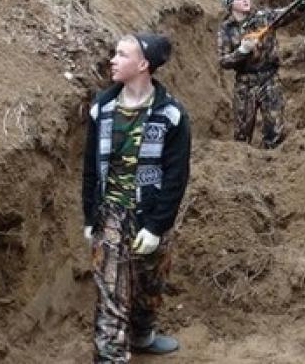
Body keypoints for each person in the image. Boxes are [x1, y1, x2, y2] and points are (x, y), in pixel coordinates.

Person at [82, 33, 191, 363]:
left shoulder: (171, 115)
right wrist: (90, 217)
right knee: (111, 291)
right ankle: (110, 355)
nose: (112, 60)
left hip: (150, 213)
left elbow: (176, 177)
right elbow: (90, 167)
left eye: (121, 54)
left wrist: (157, 226)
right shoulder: (102, 108)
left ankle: (143, 334)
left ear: (143, 65)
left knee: (150, 282)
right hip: (111, 212)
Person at [217, 0, 298, 148]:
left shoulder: (264, 18)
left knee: (275, 129)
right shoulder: (226, 29)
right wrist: (242, 52)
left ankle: (272, 161)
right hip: (245, 83)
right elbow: (223, 61)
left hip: (269, 79)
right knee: (242, 132)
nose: (245, 0)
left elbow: (289, 13)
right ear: (230, 5)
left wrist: (302, 0)